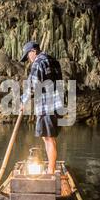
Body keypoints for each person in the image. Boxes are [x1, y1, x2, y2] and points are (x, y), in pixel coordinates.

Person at [20, 41, 63, 174]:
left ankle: (50, 171)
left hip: (46, 106)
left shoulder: (38, 63)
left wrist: (23, 101)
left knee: (48, 139)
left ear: (33, 51)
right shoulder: (54, 61)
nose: (28, 59)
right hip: (57, 105)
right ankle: (51, 168)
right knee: (50, 137)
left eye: (28, 56)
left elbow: (33, 86)